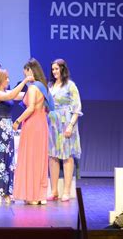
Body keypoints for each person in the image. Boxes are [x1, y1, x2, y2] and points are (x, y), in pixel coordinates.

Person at [0, 69, 33, 204]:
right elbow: (12, 95)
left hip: (7, 128)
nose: (8, 80)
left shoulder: (6, 92)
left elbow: (22, 95)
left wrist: (36, 88)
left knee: (8, 160)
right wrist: (24, 80)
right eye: (6, 78)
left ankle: (7, 191)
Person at [12, 58, 54, 205]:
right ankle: (39, 195)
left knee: (30, 159)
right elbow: (47, 108)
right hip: (42, 125)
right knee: (39, 159)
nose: (25, 77)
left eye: (25, 74)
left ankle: (32, 196)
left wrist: (17, 121)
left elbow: (30, 109)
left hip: (31, 125)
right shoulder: (43, 87)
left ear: (31, 71)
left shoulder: (33, 88)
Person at [47, 59, 82, 202]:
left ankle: (66, 190)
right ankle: (54, 190)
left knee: (67, 156)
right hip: (52, 124)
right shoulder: (50, 85)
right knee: (53, 156)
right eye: (53, 69)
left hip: (66, 122)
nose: (54, 71)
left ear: (62, 69)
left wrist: (70, 125)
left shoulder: (70, 85)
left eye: (56, 69)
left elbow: (77, 108)